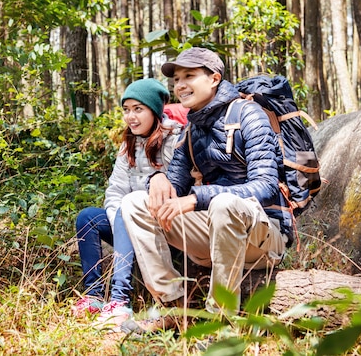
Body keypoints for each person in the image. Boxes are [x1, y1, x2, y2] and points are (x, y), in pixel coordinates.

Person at [120, 47, 292, 325]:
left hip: (263, 238)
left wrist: (197, 198)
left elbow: (265, 186)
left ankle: (220, 321)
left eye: (189, 76)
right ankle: (174, 308)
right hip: (215, 235)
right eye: (176, 79)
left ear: (214, 79)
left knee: (223, 204)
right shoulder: (192, 129)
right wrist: (158, 178)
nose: (180, 85)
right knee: (135, 203)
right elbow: (174, 183)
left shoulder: (248, 115)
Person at [72, 78, 183, 330]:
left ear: (154, 111)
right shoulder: (128, 145)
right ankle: (94, 296)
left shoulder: (174, 140)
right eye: (126, 110)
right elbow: (115, 192)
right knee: (87, 217)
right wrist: (121, 221)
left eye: (138, 109)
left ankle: (120, 301)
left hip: (165, 226)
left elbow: (179, 187)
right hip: (127, 221)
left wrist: (128, 218)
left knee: (127, 209)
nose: (130, 117)